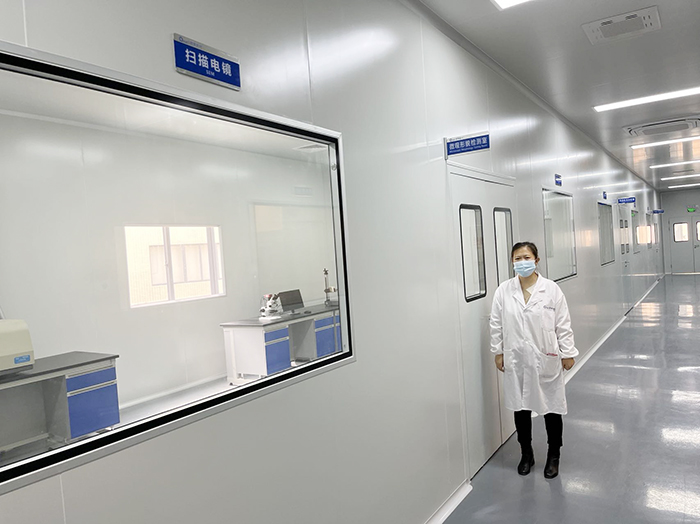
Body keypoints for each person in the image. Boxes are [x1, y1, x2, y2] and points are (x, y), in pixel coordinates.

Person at [489, 241, 578, 479]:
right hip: (517, 358)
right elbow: (496, 323)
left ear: (536, 260)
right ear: (512, 262)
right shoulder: (504, 291)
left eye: (526, 257)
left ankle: (553, 455)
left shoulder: (551, 290)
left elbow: (563, 323)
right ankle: (526, 453)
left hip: (545, 357)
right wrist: (498, 351)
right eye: (517, 258)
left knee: (552, 408)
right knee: (521, 408)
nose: (522, 262)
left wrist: (568, 352)